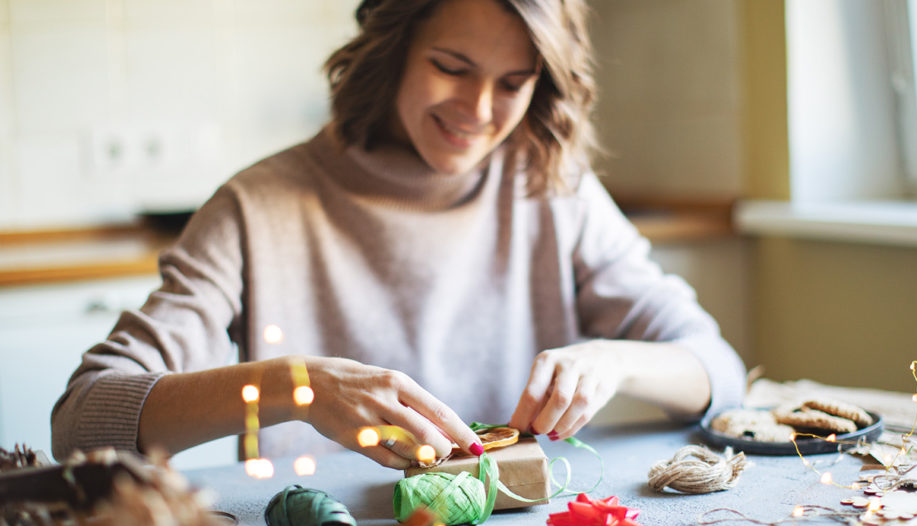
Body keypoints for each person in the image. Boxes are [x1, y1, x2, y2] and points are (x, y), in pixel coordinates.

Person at [51, 0, 746, 470]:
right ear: (393, 52)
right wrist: (294, 387)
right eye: (451, 67)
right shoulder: (257, 206)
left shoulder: (550, 189)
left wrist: (615, 361)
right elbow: (82, 418)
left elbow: (719, 371)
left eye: (513, 82)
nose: (478, 112)